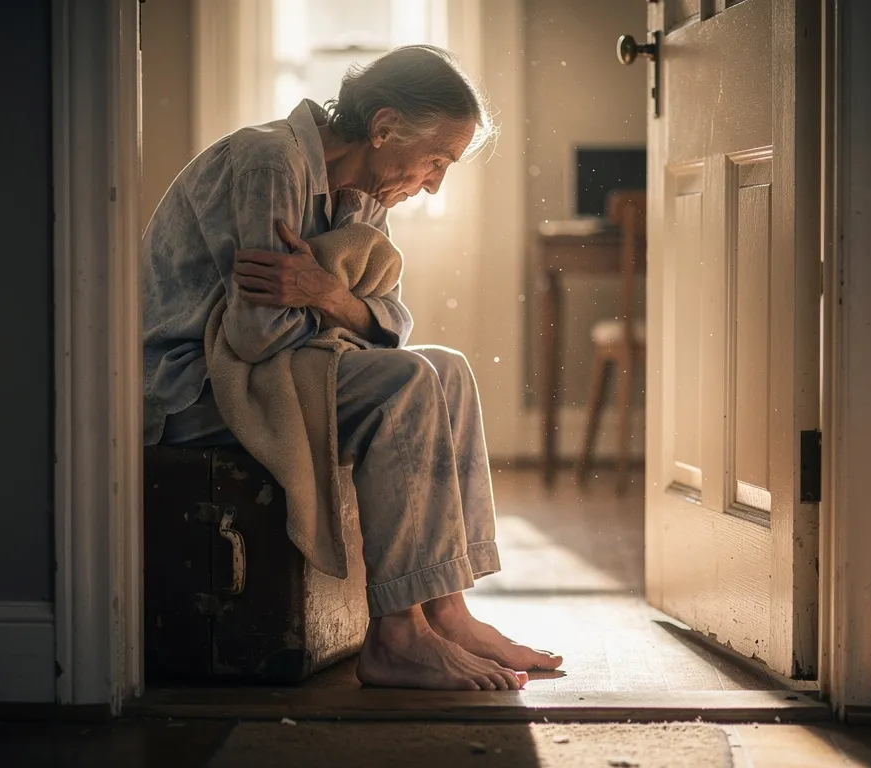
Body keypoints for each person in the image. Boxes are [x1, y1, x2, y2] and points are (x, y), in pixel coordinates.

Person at [142, 45, 562, 691]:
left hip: (274, 366)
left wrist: (328, 295)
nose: (434, 183)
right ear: (385, 126)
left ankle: (447, 614)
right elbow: (256, 337)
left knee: (446, 370)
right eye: (436, 161)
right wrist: (343, 309)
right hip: (193, 384)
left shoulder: (364, 193)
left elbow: (390, 321)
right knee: (406, 382)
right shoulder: (270, 162)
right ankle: (396, 636)